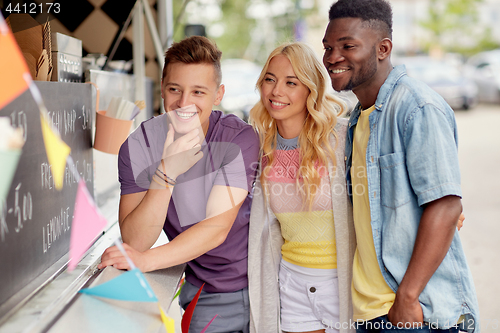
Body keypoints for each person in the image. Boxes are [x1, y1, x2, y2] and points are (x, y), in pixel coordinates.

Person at [322, 0, 479, 332]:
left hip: (414, 311)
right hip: (370, 312)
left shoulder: (416, 107)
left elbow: (446, 205)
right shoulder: (357, 119)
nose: (333, 57)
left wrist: (407, 297)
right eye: (328, 47)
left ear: (383, 48)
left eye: (348, 46)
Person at [98, 36, 260, 333]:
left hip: (265, 288)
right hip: (209, 294)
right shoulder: (139, 146)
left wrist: (146, 260)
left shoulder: (239, 139)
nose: (184, 104)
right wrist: (165, 172)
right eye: (175, 89)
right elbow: (136, 240)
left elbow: (216, 228)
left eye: (198, 92)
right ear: (162, 88)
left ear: (218, 94)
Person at [248, 42, 356, 333]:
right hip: (292, 284)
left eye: (291, 82)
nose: (276, 91)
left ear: (311, 89)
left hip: (342, 284)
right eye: (270, 79)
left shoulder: (344, 138)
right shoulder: (259, 149)